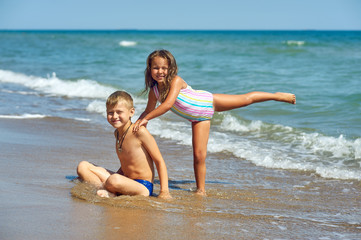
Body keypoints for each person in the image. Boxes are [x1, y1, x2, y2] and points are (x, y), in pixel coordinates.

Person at [133, 49, 296, 196]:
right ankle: (201, 190)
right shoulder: (154, 92)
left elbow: (168, 105)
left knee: (247, 99)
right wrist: (139, 123)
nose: (160, 71)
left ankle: (277, 96)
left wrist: (146, 119)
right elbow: (148, 110)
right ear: (149, 69)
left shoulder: (176, 80)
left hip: (208, 101)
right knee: (199, 155)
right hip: (198, 119)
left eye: (164, 68)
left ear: (171, 68)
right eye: (156, 68)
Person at [77, 90, 171, 199]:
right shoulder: (117, 133)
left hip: (142, 186)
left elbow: (159, 161)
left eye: (119, 112)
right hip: (124, 180)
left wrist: (164, 191)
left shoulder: (139, 132)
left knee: (114, 179)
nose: (114, 116)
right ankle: (109, 190)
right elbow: (126, 163)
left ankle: (107, 188)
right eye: (110, 113)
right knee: (83, 166)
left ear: (131, 112)